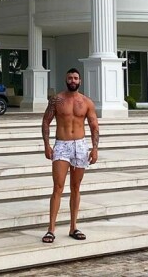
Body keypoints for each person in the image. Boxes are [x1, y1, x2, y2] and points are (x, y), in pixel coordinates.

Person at [41, 67, 99, 243]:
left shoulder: (87, 102)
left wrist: (95, 148)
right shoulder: (57, 100)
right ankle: (51, 229)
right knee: (58, 187)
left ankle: (73, 226)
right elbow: (46, 121)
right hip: (62, 145)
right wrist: (47, 145)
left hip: (80, 146)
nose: (73, 80)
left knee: (76, 187)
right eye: (70, 78)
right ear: (66, 80)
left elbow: (94, 125)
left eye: (75, 78)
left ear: (80, 81)